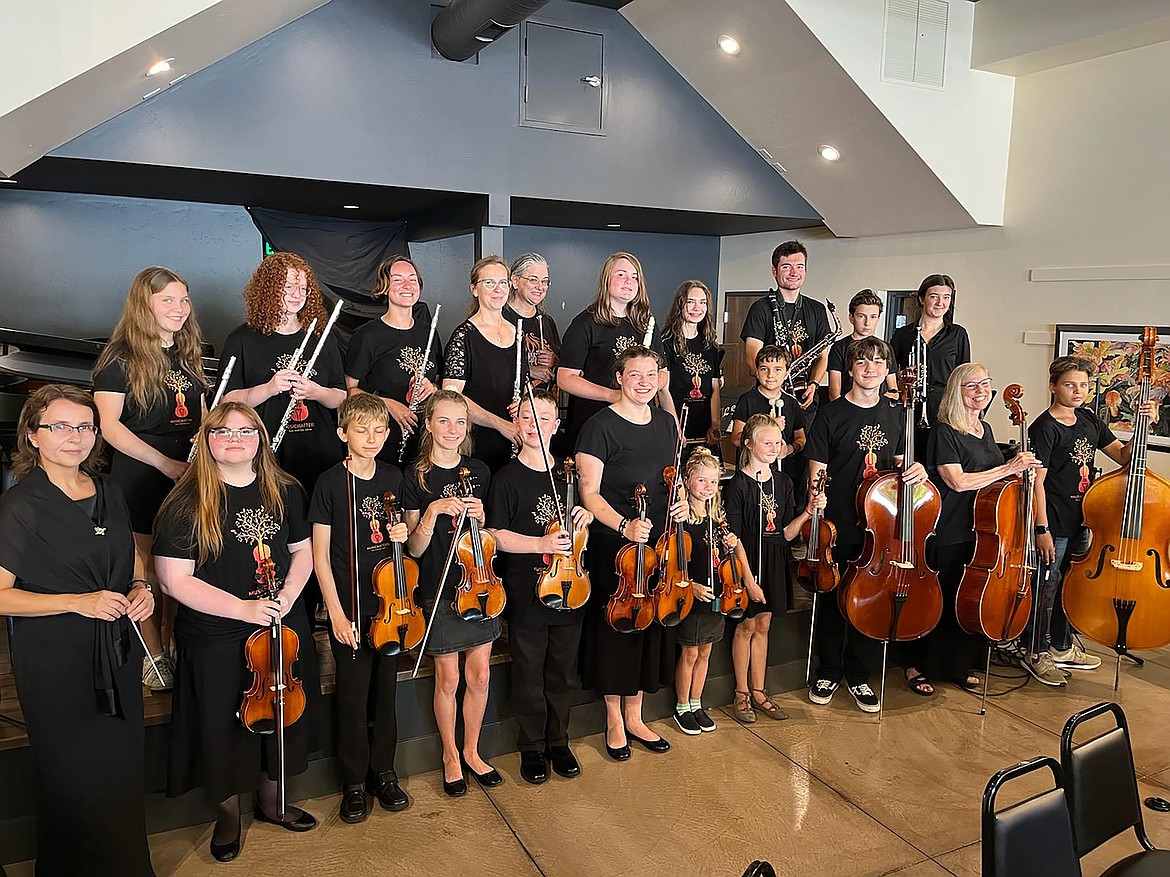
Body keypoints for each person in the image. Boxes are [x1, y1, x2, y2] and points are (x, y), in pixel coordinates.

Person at [153, 402, 320, 863]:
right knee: (221, 724)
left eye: (247, 431)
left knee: (279, 714)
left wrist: (287, 597)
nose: (234, 438)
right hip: (217, 632)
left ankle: (272, 803)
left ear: (261, 439)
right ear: (206, 440)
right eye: (223, 431)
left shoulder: (284, 489)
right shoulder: (186, 500)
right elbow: (173, 579)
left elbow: (302, 550)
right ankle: (228, 816)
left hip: (280, 624)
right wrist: (243, 609)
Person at [0, 385, 155, 877]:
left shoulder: (109, 490)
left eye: (85, 426)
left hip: (117, 650)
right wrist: (77, 602)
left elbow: (130, 555)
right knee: (72, 772)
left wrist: (141, 585)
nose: (76, 437)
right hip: (54, 659)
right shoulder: (19, 505)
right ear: (33, 435)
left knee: (120, 769)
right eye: (60, 426)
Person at [93, 265, 207, 691]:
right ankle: (153, 653)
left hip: (187, 469)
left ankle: (176, 643)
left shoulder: (188, 351)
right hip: (142, 470)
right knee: (147, 569)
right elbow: (110, 426)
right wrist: (163, 463)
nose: (179, 309)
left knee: (182, 564)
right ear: (145, 304)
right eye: (168, 300)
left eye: (184, 299)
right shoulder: (119, 358)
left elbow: (196, 413)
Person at [576, 346, 687, 760]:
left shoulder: (665, 423)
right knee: (616, 628)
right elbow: (589, 494)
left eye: (651, 374)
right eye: (635, 375)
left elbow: (670, 481)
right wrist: (624, 525)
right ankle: (613, 719)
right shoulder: (598, 427)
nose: (644, 382)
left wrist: (679, 503)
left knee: (649, 626)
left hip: (658, 541)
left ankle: (637, 715)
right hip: (616, 543)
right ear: (619, 378)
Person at [1020, 356, 1155, 684]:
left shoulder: (1089, 420)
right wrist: (1042, 529)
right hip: (1053, 520)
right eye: (1070, 384)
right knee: (1046, 588)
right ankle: (1034, 652)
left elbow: (1124, 456)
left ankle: (1062, 647)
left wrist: (1143, 425)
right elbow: (1036, 482)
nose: (1078, 391)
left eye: (1083, 385)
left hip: (1084, 519)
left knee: (1071, 585)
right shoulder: (1045, 427)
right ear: (1053, 387)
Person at [906, 363, 1040, 694]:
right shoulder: (944, 431)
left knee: (968, 600)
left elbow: (994, 477)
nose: (980, 390)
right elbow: (958, 480)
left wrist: (1022, 475)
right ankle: (916, 665)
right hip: (949, 525)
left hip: (984, 529)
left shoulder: (986, 429)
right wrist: (1008, 466)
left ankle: (958, 665)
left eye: (985, 383)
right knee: (942, 597)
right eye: (971, 385)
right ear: (956, 391)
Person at [806, 337, 924, 709]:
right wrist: (817, 513)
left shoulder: (896, 413)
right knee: (832, 596)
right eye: (862, 362)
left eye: (877, 362)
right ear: (851, 368)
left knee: (872, 597)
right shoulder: (831, 413)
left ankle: (859, 675)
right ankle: (828, 670)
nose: (870, 368)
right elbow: (817, 469)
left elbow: (902, 467)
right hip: (839, 520)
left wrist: (916, 470)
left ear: (887, 369)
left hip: (881, 526)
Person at [308, 393, 410, 822]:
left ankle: (383, 773)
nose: (371, 438)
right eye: (362, 430)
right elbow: (319, 554)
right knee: (352, 697)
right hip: (348, 607)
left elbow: (405, 540)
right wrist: (334, 612)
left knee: (385, 695)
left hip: (389, 607)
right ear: (342, 434)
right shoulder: (330, 483)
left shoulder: (393, 476)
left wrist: (404, 531)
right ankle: (353, 782)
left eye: (379, 431)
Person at [487, 388, 592, 784]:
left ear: (556, 425)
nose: (535, 425)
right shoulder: (506, 478)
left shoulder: (569, 473)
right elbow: (494, 535)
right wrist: (540, 545)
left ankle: (558, 740)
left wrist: (585, 516)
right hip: (526, 591)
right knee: (529, 672)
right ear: (518, 424)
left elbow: (585, 522)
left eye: (543, 418)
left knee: (562, 672)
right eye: (527, 418)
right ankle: (531, 745)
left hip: (571, 584)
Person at [401, 391, 501, 796]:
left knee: (479, 676)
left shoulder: (479, 470)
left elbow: (489, 537)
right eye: (443, 421)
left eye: (460, 422)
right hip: (438, 589)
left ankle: (473, 751)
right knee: (448, 678)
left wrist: (481, 520)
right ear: (428, 424)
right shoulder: (415, 476)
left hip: (479, 584)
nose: (452, 430)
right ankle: (449, 755)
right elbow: (413, 548)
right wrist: (431, 512)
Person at [222, 252, 347, 494]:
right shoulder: (242, 339)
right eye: (288, 286)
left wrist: (315, 391)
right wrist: (269, 388)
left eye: (303, 288)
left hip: (319, 452)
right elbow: (227, 401)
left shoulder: (322, 336)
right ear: (269, 288)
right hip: (265, 453)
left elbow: (340, 397)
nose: (297, 294)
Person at [723, 415, 811, 723]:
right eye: (767, 442)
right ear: (749, 444)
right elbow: (733, 539)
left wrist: (808, 512)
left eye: (778, 442)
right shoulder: (737, 485)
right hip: (748, 563)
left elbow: (786, 533)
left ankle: (760, 691)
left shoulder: (783, 482)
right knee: (746, 626)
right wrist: (749, 580)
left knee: (764, 627)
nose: (774, 448)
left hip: (774, 561)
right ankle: (741, 692)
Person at [672, 447, 759, 735]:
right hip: (693, 596)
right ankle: (682, 705)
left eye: (713, 482)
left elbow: (724, 556)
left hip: (716, 596)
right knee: (690, 653)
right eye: (701, 481)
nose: (708, 488)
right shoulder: (681, 519)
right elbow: (673, 562)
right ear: (687, 481)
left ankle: (697, 702)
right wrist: (690, 586)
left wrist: (729, 545)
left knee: (706, 651)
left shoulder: (716, 517)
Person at [558, 253, 675, 452]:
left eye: (634, 276)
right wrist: (611, 395)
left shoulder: (647, 323)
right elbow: (565, 378)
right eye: (621, 274)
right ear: (606, 280)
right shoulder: (585, 323)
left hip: (636, 422)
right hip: (594, 422)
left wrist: (642, 388)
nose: (629, 281)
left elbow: (662, 373)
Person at [345, 255, 443, 465]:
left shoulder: (429, 332)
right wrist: (387, 404)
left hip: (426, 440)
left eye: (413, 279)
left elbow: (439, 382)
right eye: (398, 280)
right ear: (385, 287)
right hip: (382, 440)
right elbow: (349, 391)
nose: (407, 285)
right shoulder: (367, 336)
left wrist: (432, 387)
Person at [442, 256, 527, 473]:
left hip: (515, 438)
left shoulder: (517, 334)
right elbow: (453, 398)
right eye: (489, 283)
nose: (497, 289)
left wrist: (524, 405)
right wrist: (500, 424)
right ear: (474, 289)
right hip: (477, 441)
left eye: (503, 283)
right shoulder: (463, 336)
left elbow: (525, 386)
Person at [739, 240, 831, 414]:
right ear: (774, 271)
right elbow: (752, 357)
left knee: (802, 442)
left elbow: (822, 357)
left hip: (805, 396)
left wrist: (814, 384)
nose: (794, 272)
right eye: (786, 266)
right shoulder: (760, 308)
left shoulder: (818, 309)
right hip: (769, 397)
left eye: (800, 266)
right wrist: (774, 386)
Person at [889, 274, 972, 458]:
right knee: (910, 457)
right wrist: (904, 375)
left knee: (941, 458)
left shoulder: (957, 334)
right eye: (934, 296)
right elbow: (889, 372)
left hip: (944, 407)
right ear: (922, 299)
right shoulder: (903, 335)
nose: (940, 302)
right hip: (909, 406)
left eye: (946, 297)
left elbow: (964, 376)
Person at [662, 280, 725, 462]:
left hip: (704, 429)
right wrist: (675, 427)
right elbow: (662, 391)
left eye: (702, 302)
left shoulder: (710, 347)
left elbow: (715, 390)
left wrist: (715, 424)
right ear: (680, 304)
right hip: (677, 424)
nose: (697, 307)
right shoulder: (666, 344)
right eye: (691, 302)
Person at [731, 345, 806, 484]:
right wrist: (768, 428)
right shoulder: (747, 400)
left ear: (787, 373)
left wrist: (789, 449)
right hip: (751, 475)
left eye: (778, 369)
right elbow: (736, 439)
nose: (770, 375)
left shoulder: (792, 403)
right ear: (757, 372)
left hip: (784, 475)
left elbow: (801, 439)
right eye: (764, 369)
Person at [504, 253, 561, 390]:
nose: (540, 287)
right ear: (515, 281)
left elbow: (563, 363)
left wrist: (554, 360)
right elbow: (486, 365)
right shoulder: (499, 318)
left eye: (545, 281)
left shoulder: (547, 322)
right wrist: (528, 370)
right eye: (533, 280)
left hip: (542, 404)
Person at [827, 290, 883, 400]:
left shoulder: (885, 348)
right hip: (847, 411)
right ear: (851, 318)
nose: (867, 323)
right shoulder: (839, 348)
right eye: (861, 316)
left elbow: (893, 389)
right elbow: (834, 393)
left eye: (873, 317)